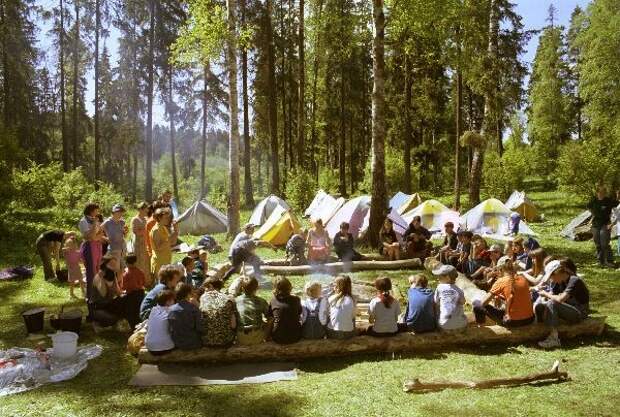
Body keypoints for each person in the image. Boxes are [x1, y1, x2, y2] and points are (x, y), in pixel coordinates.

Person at [536, 259, 590, 349]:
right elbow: (553, 295)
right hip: (567, 308)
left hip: (580, 313)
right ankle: (543, 329)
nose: (551, 279)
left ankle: (554, 338)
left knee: (553, 302)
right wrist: (544, 297)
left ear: (557, 273)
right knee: (541, 306)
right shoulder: (559, 282)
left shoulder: (574, 280)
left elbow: (560, 299)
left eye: (551, 276)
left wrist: (545, 294)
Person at [473, 256, 534, 327]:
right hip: (530, 319)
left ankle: (480, 326)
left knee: (476, 304)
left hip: (513, 322)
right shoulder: (523, 278)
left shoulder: (502, 281)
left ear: (501, 269)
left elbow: (483, 303)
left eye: (498, 270)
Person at [90, 255, 141, 331]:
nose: (114, 267)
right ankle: (98, 323)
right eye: (112, 265)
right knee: (112, 318)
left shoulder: (112, 275)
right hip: (98, 307)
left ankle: (135, 324)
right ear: (104, 265)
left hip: (108, 304)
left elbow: (118, 292)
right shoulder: (98, 277)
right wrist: (102, 280)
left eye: (115, 265)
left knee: (133, 296)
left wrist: (127, 293)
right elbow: (103, 294)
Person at [78, 203, 105, 305]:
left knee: (98, 270)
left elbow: (100, 234)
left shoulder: (95, 219)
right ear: (91, 210)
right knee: (91, 272)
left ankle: (97, 294)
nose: (98, 212)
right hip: (89, 248)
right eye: (96, 210)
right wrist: (94, 226)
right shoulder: (83, 221)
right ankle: (90, 296)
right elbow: (90, 237)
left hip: (97, 247)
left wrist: (95, 236)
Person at [200, 276, 237, 347]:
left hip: (208, 341)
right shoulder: (229, 299)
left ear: (210, 286)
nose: (205, 291)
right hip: (226, 341)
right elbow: (233, 325)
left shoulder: (203, 298)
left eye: (206, 288)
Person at [587, 186, 618, 267]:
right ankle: (600, 261)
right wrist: (593, 216)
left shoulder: (608, 201)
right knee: (597, 244)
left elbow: (617, 208)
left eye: (604, 192)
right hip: (595, 225)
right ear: (597, 193)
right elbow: (589, 207)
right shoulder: (593, 200)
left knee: (604, 243)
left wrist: (612, 221)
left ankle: (609, 261)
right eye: (600, 192)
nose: (602, 194)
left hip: (605, 224)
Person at [267, 276, 303, 344]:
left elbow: (270, 318)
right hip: (295, 336)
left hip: (278, 337)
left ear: (276, 289)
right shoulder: (296, 299)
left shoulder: (273, 301)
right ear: (290, 288)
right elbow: (299, 312)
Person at [168, 282, 203, 350]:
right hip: (194, 343)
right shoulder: (194, 308)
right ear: (188, 294)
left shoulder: (170, 310)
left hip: (178, 343)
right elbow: (200, 328)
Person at [235, 276, 269, 345]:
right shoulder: (262, 301)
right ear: (257, 288)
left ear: (242, 288)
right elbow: (269, 316)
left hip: (241, 338)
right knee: (269, 321)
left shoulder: (236, 301)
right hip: (258, 337)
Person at [432, 264, 467, 331]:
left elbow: (436, 303)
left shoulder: (439, 287)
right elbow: (463, 302)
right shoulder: (459, 290)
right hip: (460, 324)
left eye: (440, 277)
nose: (437, 278)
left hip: (444, 324)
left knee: (437, 311)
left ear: (447, 278)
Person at [150, 208, 179, 278]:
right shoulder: (156, 230)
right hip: (159, 262)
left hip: (166, 259)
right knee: (161, 284)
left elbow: (173, 243)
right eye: (165, 218)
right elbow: (159, 248)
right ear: (159, 218)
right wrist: (169, 239)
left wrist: (176, 231)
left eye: (168, 217)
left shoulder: (163, 228)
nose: (168, 219)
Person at [144, 289, 176, 355]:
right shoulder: (171, 311)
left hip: (149, 346)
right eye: (173, 300)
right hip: (164, 347)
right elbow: (174, 329)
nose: (174, 302)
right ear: (168, 302)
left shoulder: (153, 310)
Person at [326, 275, 356, 339]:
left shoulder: (331, 298)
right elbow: (353, 316)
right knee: (353, 318)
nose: (333, 287)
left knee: (328, 316)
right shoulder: (352, 299)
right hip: (348, 334)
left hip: (333, 333)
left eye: (334, 285)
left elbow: (327, 314)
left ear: (337, 287)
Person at [120, 253, 146, 328]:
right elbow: (144, 282)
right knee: (138, 310)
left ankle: (132, 326)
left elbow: (124, 287)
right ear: (135, 262)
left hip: (131, 295)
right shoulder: (140, 272)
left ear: (126, 263)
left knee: (131, 312)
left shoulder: (126, 274)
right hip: (140, 293)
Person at [102, 204, 129, 274]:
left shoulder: (122, 222)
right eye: (119, 212)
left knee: (122, 267)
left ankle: (120, 283)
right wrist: (106, 238)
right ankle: (114, 283)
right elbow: (98, 231)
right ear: (114, 212)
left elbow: (125, 236)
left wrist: (126, 232)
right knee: (114, 268)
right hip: (113, 248)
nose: (121, 214)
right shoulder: (108, 222)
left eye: (122, 212)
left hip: (122, 247)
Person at [131, 202, 151, 283]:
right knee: (139, 262)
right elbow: (136, 232)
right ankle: (139, 281)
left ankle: (147, 281)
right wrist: (146, 231)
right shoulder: (135, 219)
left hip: (146, 243)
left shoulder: (146, 219)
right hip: (139, 244)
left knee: (146, 262)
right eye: (146, 208)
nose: (147, 210)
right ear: (141, 209)